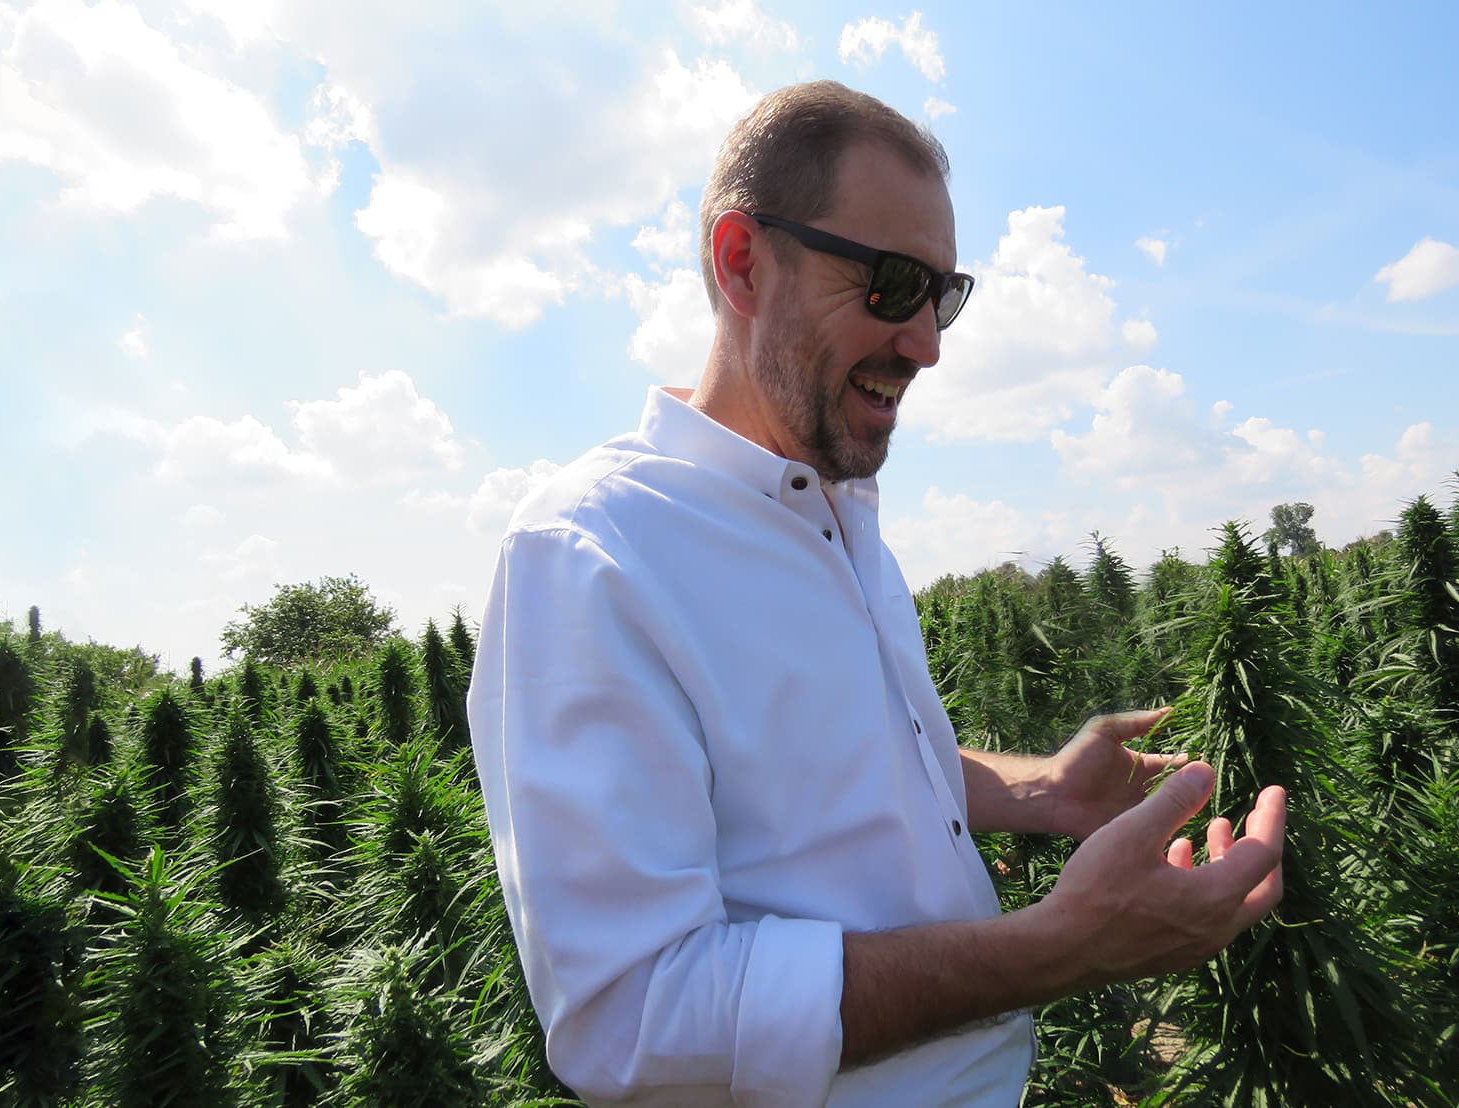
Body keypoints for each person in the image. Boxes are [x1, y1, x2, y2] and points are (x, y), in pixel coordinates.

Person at [466, 80, 1286, 1107]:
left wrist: (1042, 792)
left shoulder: (837, 515)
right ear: (741, 261)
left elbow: (848, 764)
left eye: (943, 294)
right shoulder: (590, 552)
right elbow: (633, 1021)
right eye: (892, 285)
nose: (928, 343)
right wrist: (1059, 949)